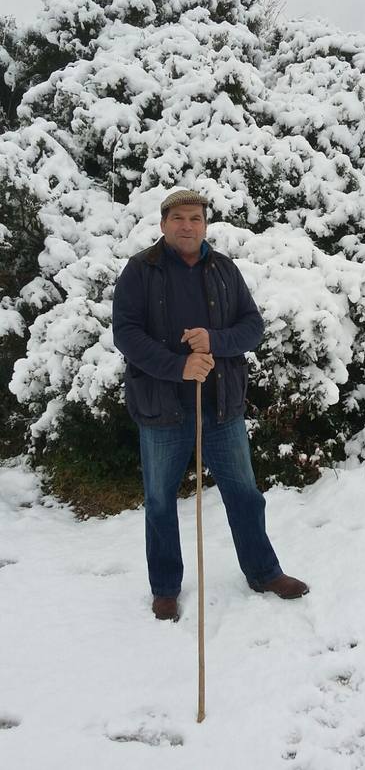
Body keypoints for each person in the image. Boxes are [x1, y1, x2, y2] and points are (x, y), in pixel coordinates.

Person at [112, 187, 309, 620]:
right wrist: (178, 366)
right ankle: (165, 587)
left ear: (205, 225)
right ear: (163, 224)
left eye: (195, 218)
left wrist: (215, 340)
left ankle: (264, 572)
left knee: (245, 494)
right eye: (178, 218)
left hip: (221, 407)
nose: (187, 225)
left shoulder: (224, 269)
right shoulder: (139, 271)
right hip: (161, 408)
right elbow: (126, 334)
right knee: (160, 502)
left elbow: (253, 326)